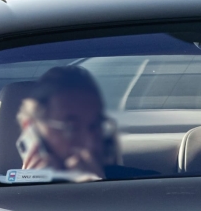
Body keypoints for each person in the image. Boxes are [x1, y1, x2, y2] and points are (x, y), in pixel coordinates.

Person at [10, 65, 145, 180]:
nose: (90, 143)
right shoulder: (3, 205)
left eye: (95, 126)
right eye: (71, 127)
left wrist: (100, 190)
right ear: (31, 128)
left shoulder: (141, 188)